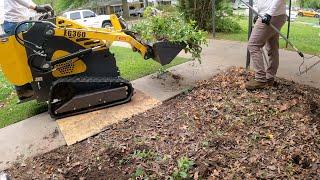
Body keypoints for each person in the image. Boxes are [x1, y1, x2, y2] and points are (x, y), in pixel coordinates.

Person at [3, 0, 52, 100]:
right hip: (14, 23)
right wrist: (36, 7)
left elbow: (23, 6)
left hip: (19, 22)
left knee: (28, 55)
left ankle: (31, 88)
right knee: (21, 57)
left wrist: (37, 9)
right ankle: (23, 90)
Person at [245, 0, 287, 90]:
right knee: (272, 47)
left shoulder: (270, 13)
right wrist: (259, 13)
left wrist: (269, 14)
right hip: (276, 15)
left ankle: (260, 79)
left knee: (253, 45)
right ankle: (270, 77)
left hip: (273, 15)